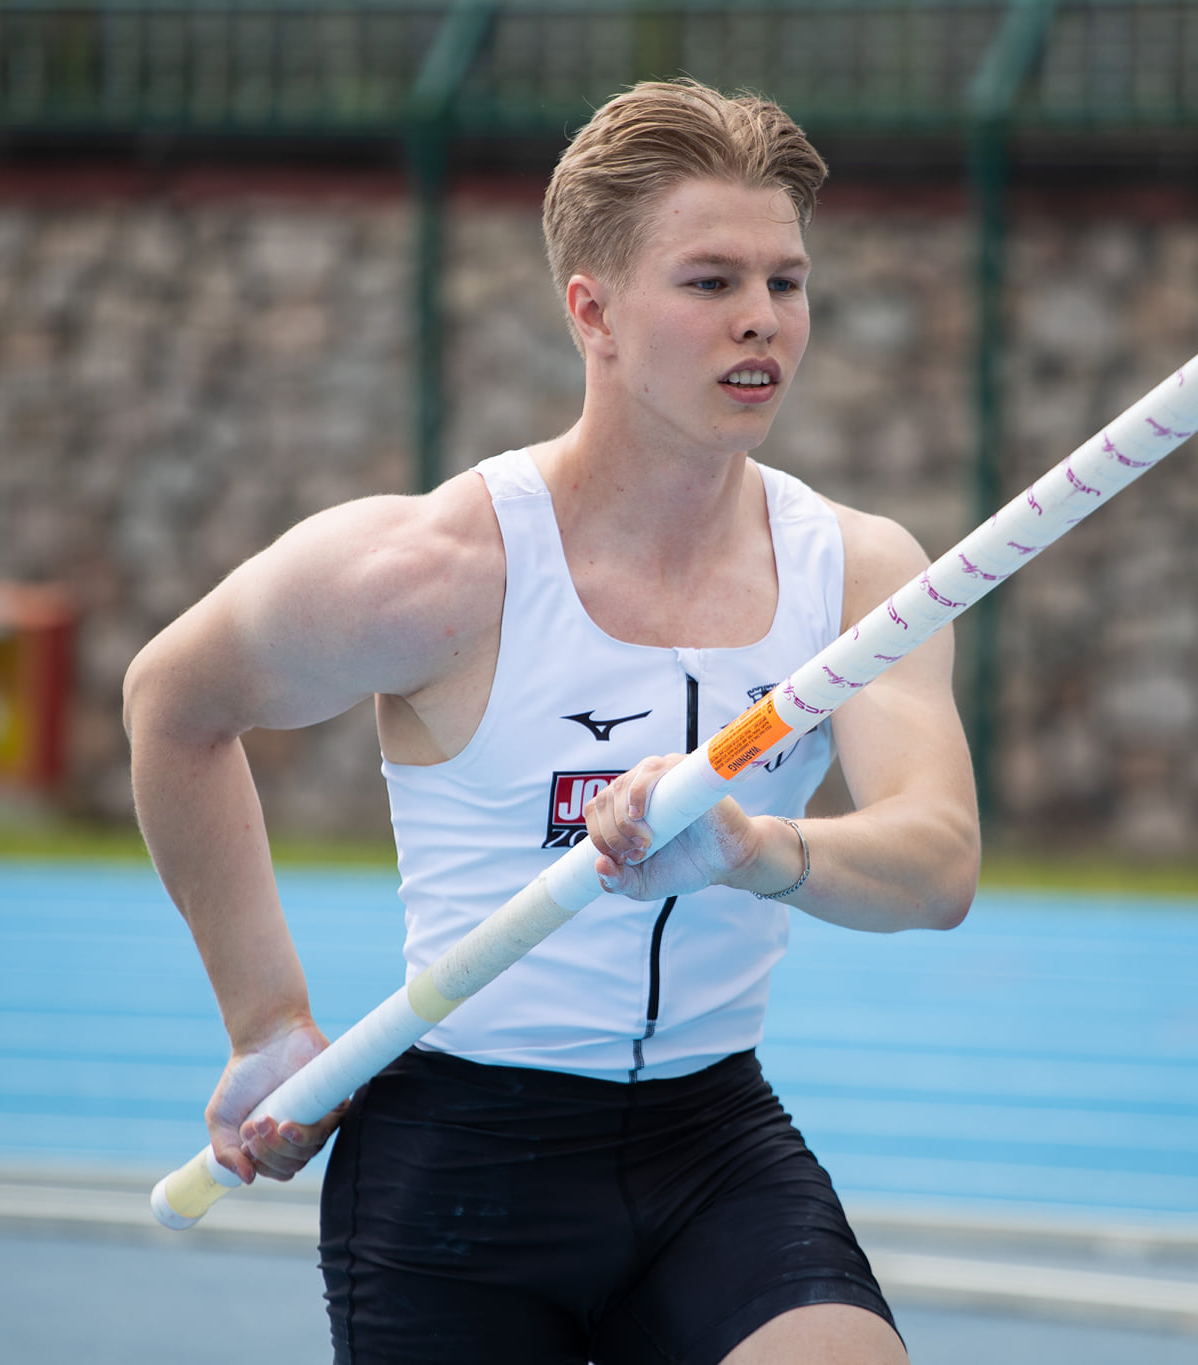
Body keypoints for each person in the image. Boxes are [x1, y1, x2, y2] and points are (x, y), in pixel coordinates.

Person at [123, 79, 980, 1365]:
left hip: (711, 1148)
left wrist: (756, 850)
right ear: (592, 313)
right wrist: (266, 1023)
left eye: (785, 282)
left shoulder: (853, 573)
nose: (760, 318)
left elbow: (937, 861)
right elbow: (173, 704)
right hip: (459, 1170)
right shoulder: (439, 571)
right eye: (708, 283)